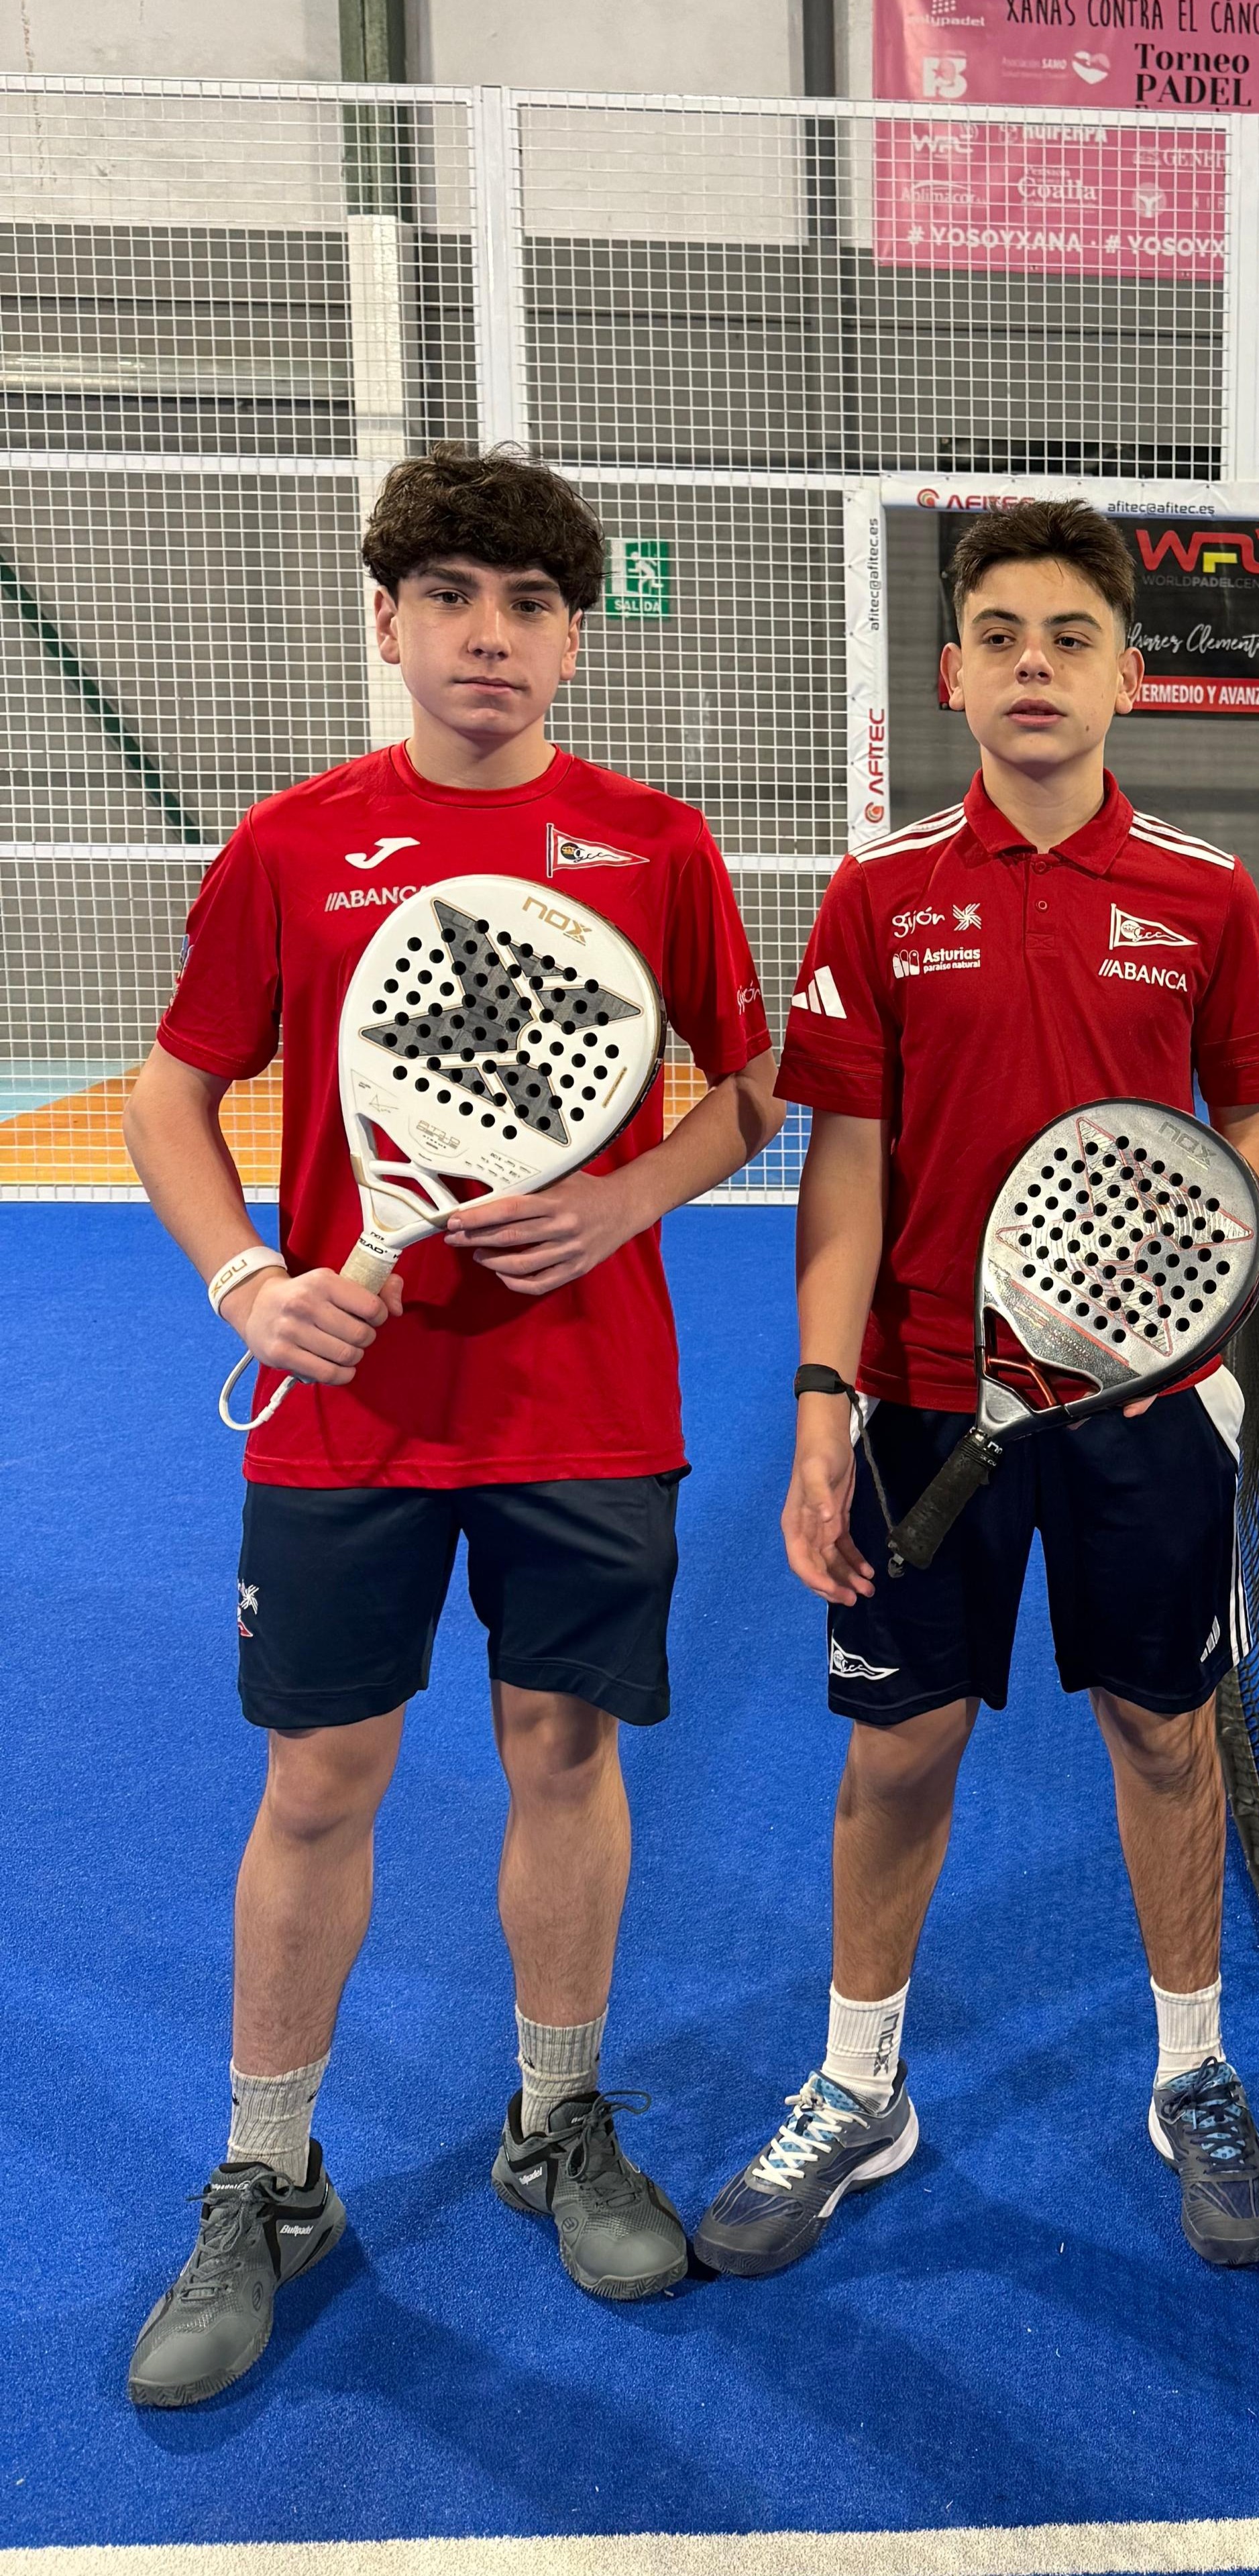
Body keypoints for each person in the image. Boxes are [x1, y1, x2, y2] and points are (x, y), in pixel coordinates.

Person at [119, 445, 783, 2407]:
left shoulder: (655, 847)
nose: (489, 636)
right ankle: (270, 2173)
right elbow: (171, 1095)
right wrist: (250, 1285)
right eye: (451, 599)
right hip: (348, 1415)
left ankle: (554, 2121)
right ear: (391, 623)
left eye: (529, 605)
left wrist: (628, 1197)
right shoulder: (293, 845)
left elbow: (752, 1087)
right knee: (321, 1779)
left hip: (588, 1402)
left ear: (575, 639)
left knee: (561, 1752)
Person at [693, 498, 1259, 2277]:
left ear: (1130, 676)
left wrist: (1187, 1297)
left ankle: (1191, 2073)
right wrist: (823, 1401)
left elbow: (1252, 1111)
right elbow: (844, 1160)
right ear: (952, 677)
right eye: (1003, 638)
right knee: (903, 1747)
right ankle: (857, 2084)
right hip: (919, 1401)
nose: (1037, 665)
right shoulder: (880, 893)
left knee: (1166, 1733)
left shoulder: (1203, 893)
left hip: (1143, 1411)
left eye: (1072, 637)